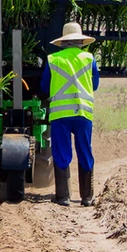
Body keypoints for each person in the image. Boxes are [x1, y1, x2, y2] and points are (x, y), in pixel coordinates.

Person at [42, 22, 100, 207]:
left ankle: (63, 196)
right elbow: (95, 85)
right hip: (83, 112)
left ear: (63, 42)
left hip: (60, 114)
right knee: (85, 150)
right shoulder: (89, 59)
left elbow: (44, 86)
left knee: (61, 152)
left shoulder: (53, 59)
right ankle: (87, 197)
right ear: (80, 41)